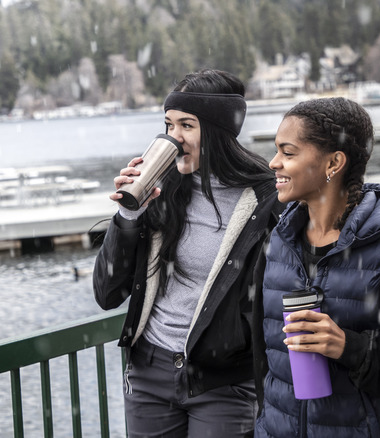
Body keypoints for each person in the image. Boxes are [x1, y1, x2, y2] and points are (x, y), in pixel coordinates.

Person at [92, 69, 280, 437]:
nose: (172, 137)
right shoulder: (163, 189)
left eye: (187, 125)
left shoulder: (266, 199)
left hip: (222, 381)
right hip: (150, 371)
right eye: (168, 124)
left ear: (218, 131)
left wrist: (234, 347)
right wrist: (129, 214)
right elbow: (107, 292)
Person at [252, 97, 380, 437]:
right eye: (276, 151)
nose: (274, 163)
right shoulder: (278, 242)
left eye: (288, 152)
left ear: (334, 162)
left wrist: (348, 346)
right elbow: (263, 359)